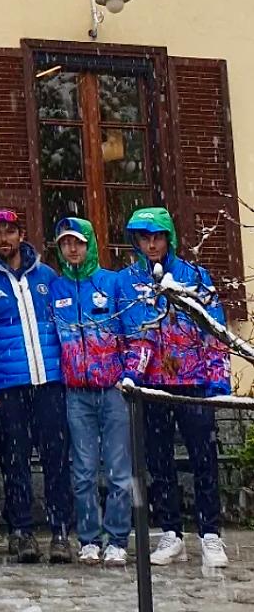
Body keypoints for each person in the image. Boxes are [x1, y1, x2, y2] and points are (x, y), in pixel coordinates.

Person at [119, 207, 230, 568]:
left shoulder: (195, 277)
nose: (151, 244)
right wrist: (132, 376)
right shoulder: (127, 281)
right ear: (136, 241)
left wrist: (218, 380)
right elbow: (134, 333)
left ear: (169, 238)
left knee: (204, 459)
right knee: (159, 461)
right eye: (144, 238)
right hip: (151, 386)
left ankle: (210, 534)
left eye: (157, 237)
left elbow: (215, 329)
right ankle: (171, 532)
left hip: (194, 384)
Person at [0, 208, 71, 563]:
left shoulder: (47, 275)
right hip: (9, 386)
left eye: (9, 231)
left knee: (56, 459)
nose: (3, 239)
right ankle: (23, 531)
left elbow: (63, 327)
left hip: (49, 382)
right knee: (15, 461)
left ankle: (60, 531)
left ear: (20, 235)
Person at [49, 217, 131, 568]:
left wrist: (126, 376)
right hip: (76, 393)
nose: (72, 249)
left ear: (90, 244)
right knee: (82, 470)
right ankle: (88, 539)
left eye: (78, 242)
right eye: (66, 243)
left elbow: (130, 330)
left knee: (118, 470)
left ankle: (117, 538)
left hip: (113, 391)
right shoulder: (55, 287)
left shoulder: (111, 282)